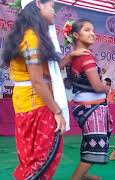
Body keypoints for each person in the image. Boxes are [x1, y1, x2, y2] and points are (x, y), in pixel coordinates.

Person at [2, 0, 88, 179]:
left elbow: (47, 72)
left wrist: (71, 55)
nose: (54, 12)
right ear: (39, 5)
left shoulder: (29, 34)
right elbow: (37, 81)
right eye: (52, 7)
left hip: (29, 101)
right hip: (36, 102)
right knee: (43, 156)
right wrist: (56, 110)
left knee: (33, 155)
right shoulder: (32, 37)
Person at [62, 19, 113, 180]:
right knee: (96, 146)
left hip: (84, 106)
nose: (92, 33)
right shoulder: (86, 58)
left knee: (90, 142)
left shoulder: (75, 57)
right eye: (87, 30)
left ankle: (83, 176)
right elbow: (98, 87)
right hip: (92, 108)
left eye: (93, 30)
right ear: (76, 35)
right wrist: (108, 88)